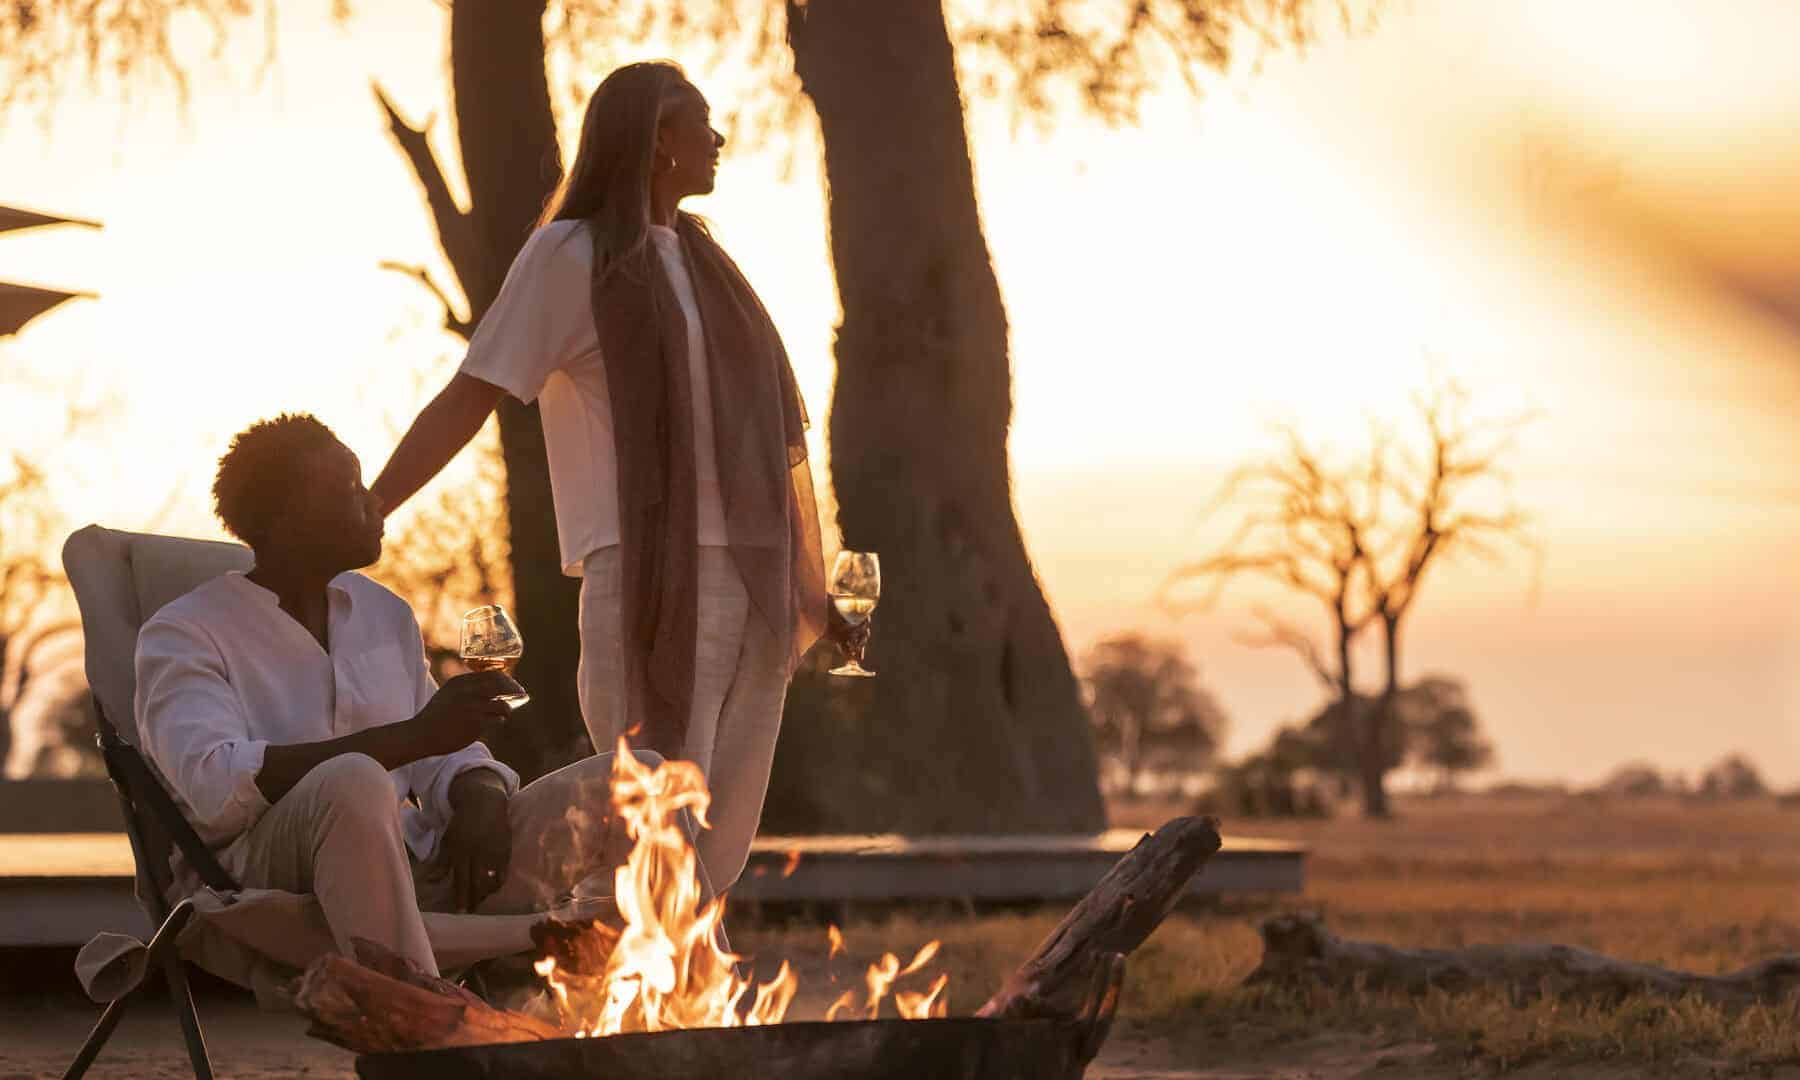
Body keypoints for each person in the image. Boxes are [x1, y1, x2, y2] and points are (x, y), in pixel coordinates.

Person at [372, 61, 854, 891]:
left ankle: (683, 970)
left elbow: (760, 438)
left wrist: (812, 593)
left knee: (720, 838)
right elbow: (474, 391)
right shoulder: (572, 253)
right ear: (659, 138)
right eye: (702, 123)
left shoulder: (705, 260)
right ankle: (600, 963)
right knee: (648, 824)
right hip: (647, 575)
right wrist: (372, 505)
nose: (719, 139)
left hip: (753, 573)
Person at [137, 413, 646, 978]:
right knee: (353, 778)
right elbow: (214, 785)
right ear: (288, 518)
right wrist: (409, 739)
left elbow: (441, 752)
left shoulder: (383, 614)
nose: (374, 502)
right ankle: (439, 995)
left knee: (639, 777)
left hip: (418, 869)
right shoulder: (187, 631)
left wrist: (479, 792)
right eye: (350, 488)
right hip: (265, 882)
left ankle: (661, 998)